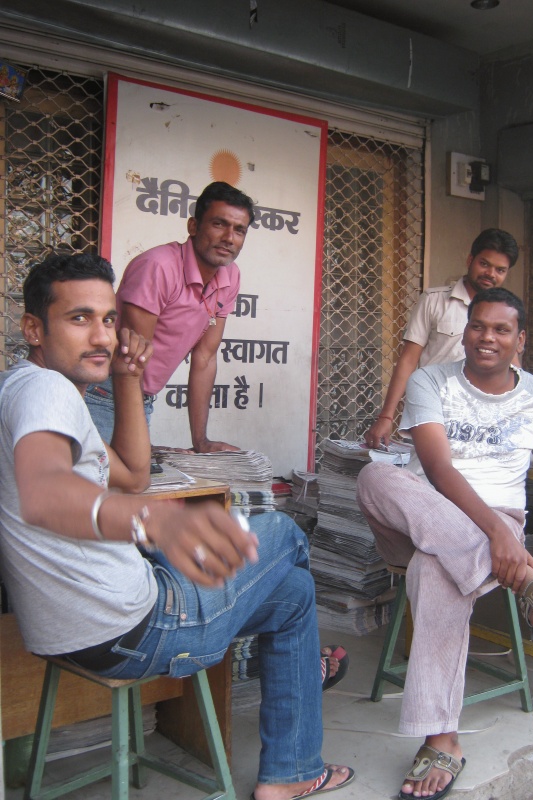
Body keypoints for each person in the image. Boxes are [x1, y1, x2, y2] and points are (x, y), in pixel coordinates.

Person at [0, 253, 354, 800]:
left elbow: (134, 475)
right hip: (136, 629)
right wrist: (157, 521)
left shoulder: (32, 391)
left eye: (109, 319)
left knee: (294, 593)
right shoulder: (44, 390)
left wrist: (127, 377)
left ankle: (291, 771)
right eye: (79, 318)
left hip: (73, 635)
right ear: (33, 329)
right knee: (283, 534)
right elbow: (45, 490)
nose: (102, 336)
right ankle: (294, 742)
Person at [356, 288, 533, 800]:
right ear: (465, 331)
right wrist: (496, 540)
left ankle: (442, 740)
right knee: (373, 477)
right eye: (478, 326)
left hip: (497, 523)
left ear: (521, 340)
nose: (487, 338)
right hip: (427, 518)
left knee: (436, 570)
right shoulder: (431, 380)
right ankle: (522, 577)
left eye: (501, 329)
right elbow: (436, 468)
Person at [85, 181, 254, 452]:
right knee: (106, 476)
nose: (229, 238)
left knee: (136, 473)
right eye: (219, 224)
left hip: (140, 395)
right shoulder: (158, 266)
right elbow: (133, 358)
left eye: (239, 230)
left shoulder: (230, 276)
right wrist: (140, 443)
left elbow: (205, 357)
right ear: (193, 226)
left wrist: (200, 441)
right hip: (104, 391)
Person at [364, 228, 519, 449]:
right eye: (484, 264)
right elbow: (408, 360)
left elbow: (514, 367)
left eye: (500, 270)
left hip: (482, 420)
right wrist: (387, 416)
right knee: (430, 468)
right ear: (470, 260)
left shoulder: (509, 313)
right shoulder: (433, 301)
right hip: (433, 413)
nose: (490, 274)